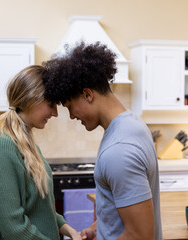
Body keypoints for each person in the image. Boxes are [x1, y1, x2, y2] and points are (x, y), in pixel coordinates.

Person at [42, 42, 163, 240]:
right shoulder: (133, 124)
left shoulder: (119, 150)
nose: (72, 116)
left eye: (70, 106)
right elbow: (124, 210)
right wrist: (99, 227)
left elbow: (140, 235)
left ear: (88, 94)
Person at [0, 65, 81, 240]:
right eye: (51, 104)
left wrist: (68, 230)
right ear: (31, 99)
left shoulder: (27, 144)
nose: (55, 113)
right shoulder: (0, 147)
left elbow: (40, 207)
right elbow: (13, 228)